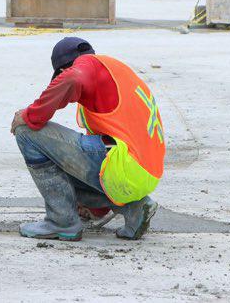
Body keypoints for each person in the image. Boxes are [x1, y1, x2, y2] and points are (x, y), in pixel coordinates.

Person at [11, 37, 165, 241]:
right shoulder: (117, 74)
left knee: (27, 132)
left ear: (63, 70)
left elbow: (72, 78)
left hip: (124, 164)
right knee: (63, 165)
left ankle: (60, 221)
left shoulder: (86, 64)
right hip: (143, 174)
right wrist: (95, 209)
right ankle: (135, 207)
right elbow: (97, 155)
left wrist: (30, 115)